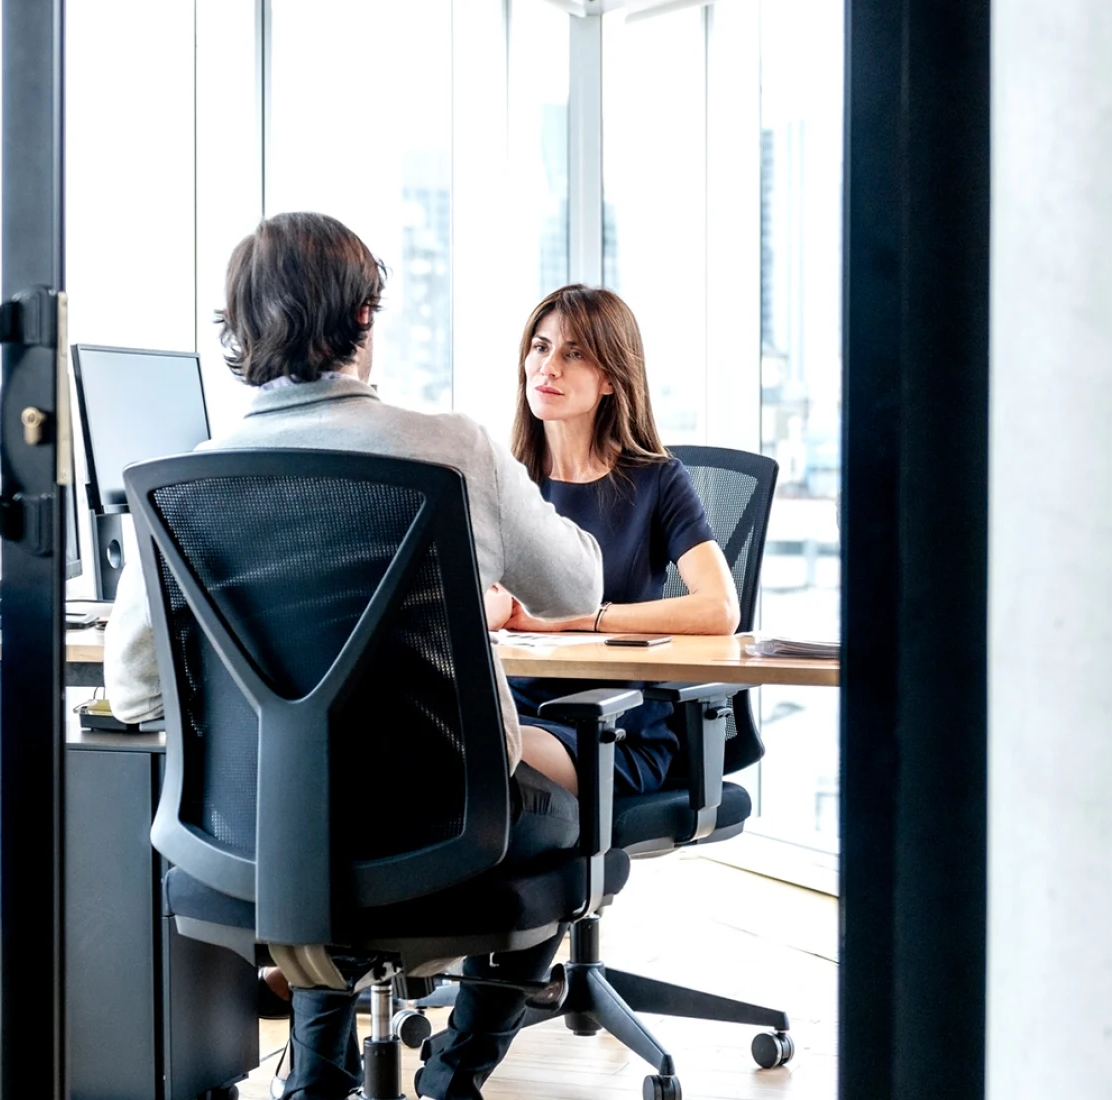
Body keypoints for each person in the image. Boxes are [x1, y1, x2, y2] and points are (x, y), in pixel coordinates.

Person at [103, 213, 604, 1100]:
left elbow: (135, 692)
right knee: (579, 831)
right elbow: (575, 589)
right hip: (455, 835)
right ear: (365, 317)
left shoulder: (180, 480)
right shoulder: (455, 448)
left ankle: (318, 1077)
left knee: (312, 828)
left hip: (249, 841)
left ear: (238, 329)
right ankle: (453, 1077)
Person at [486, 284, 740, 798]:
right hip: (509, 707)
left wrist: (578, 616)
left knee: (485, 759)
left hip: (612, 729)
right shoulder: (505, 478)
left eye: (573, 353)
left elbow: (719, 609)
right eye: (540, 346)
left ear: (609, 379)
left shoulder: (658, 480)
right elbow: (485, 605)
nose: (548, 366)